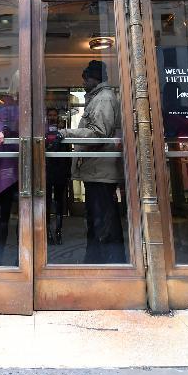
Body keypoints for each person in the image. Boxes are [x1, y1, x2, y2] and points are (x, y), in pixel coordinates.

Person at [56, 60, 127, 264]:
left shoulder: (103, 98)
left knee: (103, 220)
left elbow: (98, 134)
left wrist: (65, 133)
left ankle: (108, 265)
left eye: (85, 78)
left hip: (100, 171)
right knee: (100, 219)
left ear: (94, 78)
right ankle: (98, 262)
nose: (83, 82)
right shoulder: (99, 98)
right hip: (98, 170)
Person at [0, 71, 20, 265]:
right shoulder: (7, 103)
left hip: (20, 163)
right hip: (10, 164)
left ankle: (23, 261)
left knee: (23, 214)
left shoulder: (29, 102)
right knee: (4, 213)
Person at [45, 107, 71, 245]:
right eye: (50, 115)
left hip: (60, 171)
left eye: (54, 115)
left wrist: (68, 172)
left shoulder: (63, 131)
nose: (52, 117)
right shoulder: (42, 131)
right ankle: (48, 231)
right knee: (47, 202)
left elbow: (68, 152)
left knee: (59, 202)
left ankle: (58, 231)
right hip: (46, 171)